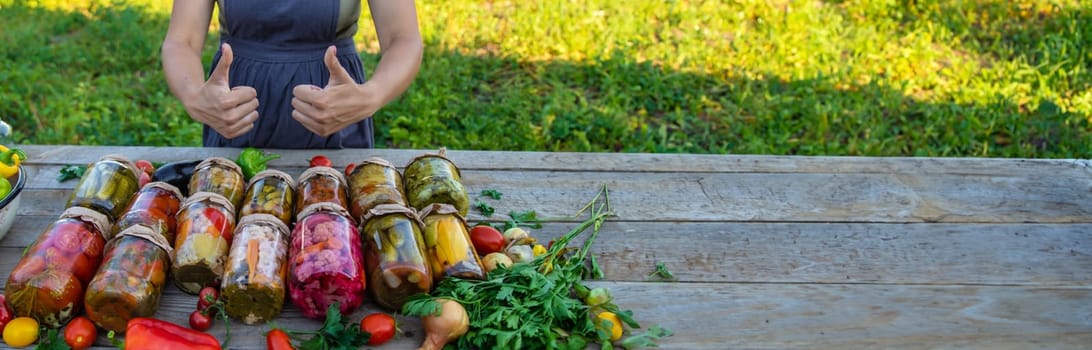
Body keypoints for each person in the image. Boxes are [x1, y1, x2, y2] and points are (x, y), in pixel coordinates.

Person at [162, 0, 422, 148]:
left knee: (334, 234)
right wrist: (194, 96)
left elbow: (404, 39)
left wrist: (371, 96)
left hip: (336, 119)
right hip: (237, 120)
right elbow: (181, 41)